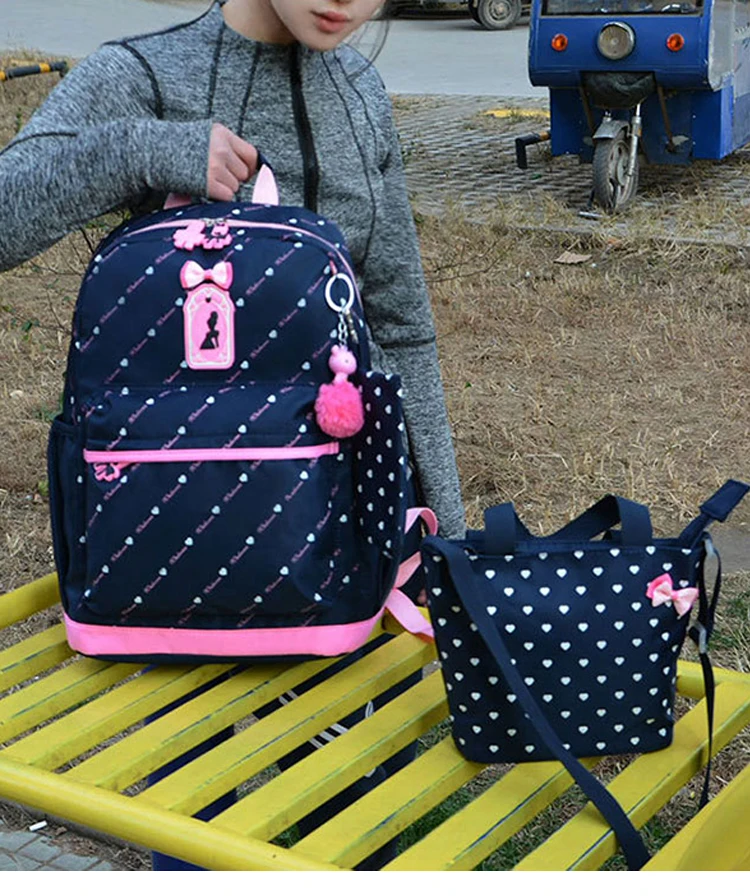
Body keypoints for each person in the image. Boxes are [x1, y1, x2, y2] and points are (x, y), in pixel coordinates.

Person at [0, 0, 466, 870]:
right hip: (176, 571)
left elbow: (401, 329)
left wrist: (453, 540)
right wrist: (147, 150)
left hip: (341, 563)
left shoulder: (361, 92)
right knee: (201, 836)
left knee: (357, 836)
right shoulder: (142, 73)